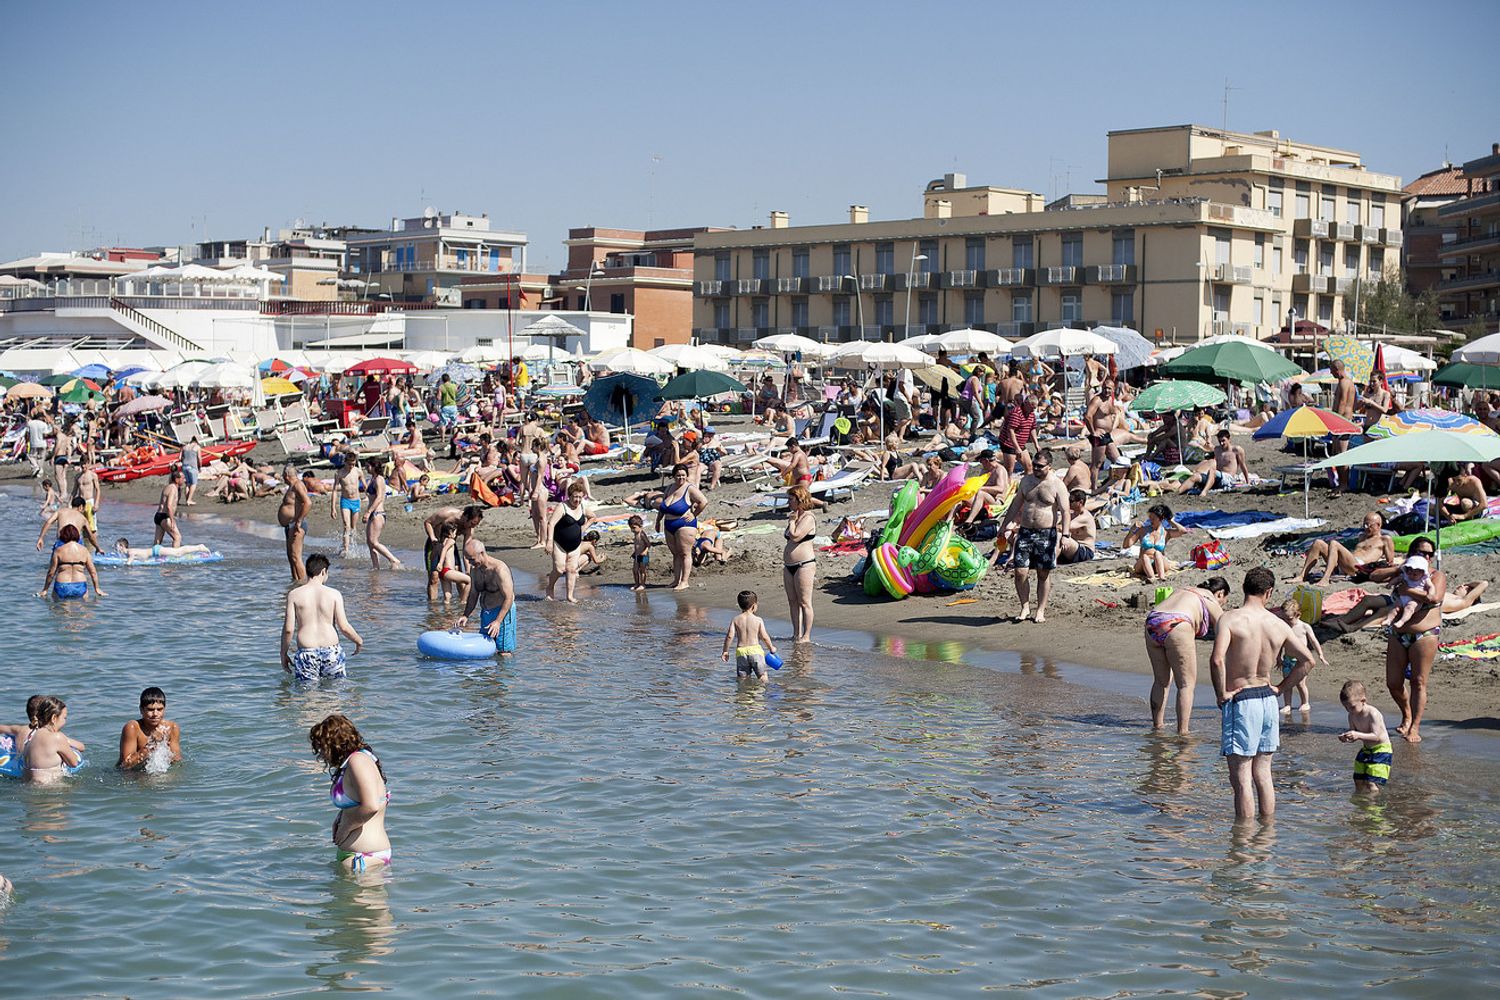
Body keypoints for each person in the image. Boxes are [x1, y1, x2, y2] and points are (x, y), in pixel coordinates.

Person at [1209, 567, 1317, 820]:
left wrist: (1220, 694)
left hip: (1242, 698)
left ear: (1245, 587)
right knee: (1264, 774)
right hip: (1268, 699)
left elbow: (1216, 661)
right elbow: (1308, 660)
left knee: (1242, 779)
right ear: (1269, 592)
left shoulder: (1230, 619)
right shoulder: (1277, 624)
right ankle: (1266, 837)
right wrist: (1280, 688)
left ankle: (1243, 842)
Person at [1143, 577, 1230, 735]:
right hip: (1178, 623)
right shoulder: (1209, 598)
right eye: (1224, 601)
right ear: (1220, 594)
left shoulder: (1183, 589)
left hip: (1153, 620)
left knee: (1161, 682)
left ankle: (1157, 727)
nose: (1222, 605)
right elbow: (1224, 628)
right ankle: (1183, 733)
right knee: (1186, 685)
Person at [309, 714, 391, 872]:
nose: (321, 755)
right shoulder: (354, 762)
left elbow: (372, 805)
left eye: (323, 748)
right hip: (355, 856)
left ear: (334, 745)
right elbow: (358, 800)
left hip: (365, 858)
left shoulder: (358, 761)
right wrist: (341, 817)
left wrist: (346, 826)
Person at [1385, 545, 1443, 745]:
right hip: (1398, 634)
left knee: (1418, 681)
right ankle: (1406, 714)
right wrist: (1397, 569)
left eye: (1428, 553)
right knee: (1393, 682)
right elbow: (1375, 576)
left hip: (1424, 634)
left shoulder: (1435, 576)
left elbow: (1434, 597)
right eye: (1420, 552)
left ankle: (1415, 726)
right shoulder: (1404, 572)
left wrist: (1407, 589)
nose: (1425, 556)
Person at [1001, 448, 1068, 623]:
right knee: (1020, 571)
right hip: (1025, 531)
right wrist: (1003, 526)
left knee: (1043, 573)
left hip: (1046, 533)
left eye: (1040, 466)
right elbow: (1015, 505)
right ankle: (1024, 606)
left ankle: (1040, 610)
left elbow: (1065, 511)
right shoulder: (1026, 481)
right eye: (1034, 465)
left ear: (1050, 466)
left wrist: (1066, 534)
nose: (1036, 469)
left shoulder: (1057, 484)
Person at [281, 553, 364, 685]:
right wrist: (358, 640)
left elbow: (288, 630)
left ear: (308, 571)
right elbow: (344, 626)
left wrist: (283, 653)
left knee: (308, 697)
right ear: (324, 571)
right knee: (334, 693)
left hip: (307, 652)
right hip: (331, 651)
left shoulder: (294, 595)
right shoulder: (334, 594)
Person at [455, 539, 517, 655]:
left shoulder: (499, 570)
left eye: (472, 559)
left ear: (482, 553)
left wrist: (498, 621)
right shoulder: (475, 570)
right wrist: (465, 615)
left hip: (502, 613)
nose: (470, 563)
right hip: (486, 613)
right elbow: (473, 594)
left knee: (504, 651)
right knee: (487, 649)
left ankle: (506, 672)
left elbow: (509, 598)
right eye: (468, 560)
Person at [1298, 511, 1394, 585]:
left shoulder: (1385, 539)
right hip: (1346, 563)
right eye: (1364, 525)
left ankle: (1326, 578)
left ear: (1378, 525)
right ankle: (1302, 575)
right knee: (1318, 543)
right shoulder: (1362, 536)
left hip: (1359, 568)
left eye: (1369, 525)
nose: (1366, 528)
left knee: (1334, 544)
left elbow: (1390, 563)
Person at [656, 463, 708, 592]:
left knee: (685, 553)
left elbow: (703, 501)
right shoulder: (669, 488)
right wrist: (658, 521)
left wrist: (694, 514)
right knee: (675, 554)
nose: (681, 478)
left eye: (683, 475)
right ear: (673, 476)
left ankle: (684, 581)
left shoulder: (689, 488)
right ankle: (676, 580)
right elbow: (663, 507)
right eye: (678, 475)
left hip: (684, 524)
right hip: (668, 524)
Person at [1272, 597, 1325, 715]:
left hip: (1301, 661)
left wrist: (1320, 654)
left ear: (1298, 615)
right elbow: (1280, 643)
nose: (1287, 621)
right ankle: (1287, 705)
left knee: (1300, 683)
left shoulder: (1304, 627)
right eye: (1284, 618)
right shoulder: (1284, 627)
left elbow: (1314, 641)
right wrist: (1278, 658)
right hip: (1288, 659)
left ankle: (1305, 702)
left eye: (1289, 619)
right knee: (1287, 683)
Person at [1339, 680, 1393, 793]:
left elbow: (1376, 736)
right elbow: (1354, 734)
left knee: (1371, 782)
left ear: (1363, 701)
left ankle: (1373, 807)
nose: (1349, 710)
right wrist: (1347, 737)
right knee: (1358, 779)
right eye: (1346, 708)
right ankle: (1360, 802)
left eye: (1352, 707)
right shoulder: (1352, 715)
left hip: (1381, 750)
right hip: (1367, 750)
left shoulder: (1372, 714)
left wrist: (1357, 735)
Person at [423, 506, 484, 601]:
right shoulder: (447, 514)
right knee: (434, 577)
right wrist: (433, 538)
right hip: (435, 543)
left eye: (475, 525)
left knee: (458, 571)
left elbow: (466, 551)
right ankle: (433, 609)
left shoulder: (469, 530)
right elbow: (428, 522)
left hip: (450, 545)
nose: (473, 527)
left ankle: (463, 603)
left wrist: (468, 570)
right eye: (472, 523)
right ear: (466, 517)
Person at [545, 482, 593, 603]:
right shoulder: (562, 507)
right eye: (575, 497)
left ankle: (570, 596)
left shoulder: (583, 507)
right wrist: (549, 542)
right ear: (569, 496)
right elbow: (551, 524)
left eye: (580, 497)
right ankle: (550, 587)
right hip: (559, 543)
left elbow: (593, 517)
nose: (577, 500)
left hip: (575, 545)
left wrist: (584, 527)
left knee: (572, 569)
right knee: (560, 569)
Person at [782, 484, 818, 643]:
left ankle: (806, 636)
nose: (788, 502)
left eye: (791, 499)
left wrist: (792, 521)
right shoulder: (794, 516)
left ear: (799, 499)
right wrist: (792, 519)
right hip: (789, 566)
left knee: (804, 602)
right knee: (792, 601)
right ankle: (796, 633)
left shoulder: (808, 518)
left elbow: (795, 535)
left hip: (804, 564)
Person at [117, 687, 182, 770]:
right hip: (129, 773)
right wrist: (151, 744)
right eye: (150, 710)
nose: (155, 714)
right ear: (141, 710)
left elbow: (176, 761)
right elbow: (125, 765)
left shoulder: (172, 728)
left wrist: (167, 749)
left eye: (159, 709)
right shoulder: (132, 728)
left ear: (164, 709)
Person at [21, 696, 80, 785]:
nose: (65, 722)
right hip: (49, 788)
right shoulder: (57, 737)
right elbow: (74, 763)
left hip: (27, 787)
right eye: (64, 718)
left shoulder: (30, 737)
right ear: (54, 718)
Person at [1171, 430, 1252, 494]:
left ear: (1229, 439)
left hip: (1228, 478)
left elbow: (1242, 465)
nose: (1222, 443)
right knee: (1195, 476)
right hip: (1215, 477)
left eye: (1223, 440)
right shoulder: (1217, 449)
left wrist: (1248, 481)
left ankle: (1204, 492)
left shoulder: (1237, 450)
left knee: (1212, 471)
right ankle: (1178, 492)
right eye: (1220, 441)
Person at [1125, 503, 1189, 584]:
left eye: (1153, 518)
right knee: (1145, 556)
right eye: (1150, 517)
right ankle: (1151, 578)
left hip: (1159, 563)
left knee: (1158, 553)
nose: (1150, 520)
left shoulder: (1166, 532)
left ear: (1161, 519)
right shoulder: (1143, 531)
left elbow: (1183, 531)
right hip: (1143, 564)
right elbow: (1126, 545)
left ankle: (1162, 576)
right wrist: (1132, 530)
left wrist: (1170, 520)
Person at [39, 524, 105, 600]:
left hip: (62, 585)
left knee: (59, 610)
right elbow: (93, 572)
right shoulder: (84, 550)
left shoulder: (59, 551)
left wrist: (45, 590)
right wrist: (97, 589)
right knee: (82, 610)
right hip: (80, 585)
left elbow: (51, 573)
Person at [723, 590, 777, 682]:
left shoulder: (736, 619)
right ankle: (761, 694)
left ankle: (744, 695)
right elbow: (764, 637)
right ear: (754, 606)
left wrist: (725, 651)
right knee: (762, 676)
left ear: (740, 605)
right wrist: (771, 648)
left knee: (743, 679)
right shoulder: (758, 620)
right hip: (756, 651)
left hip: (741, 652)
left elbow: (729, 636)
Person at [362, 459, 401, 570]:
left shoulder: (379, 479)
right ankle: (376, 567)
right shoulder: (372, 479)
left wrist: (368, 512)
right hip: (373, 513)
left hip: (377, 513)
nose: (366, 468)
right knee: (370, 542)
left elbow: (379, 497)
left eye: (368, 466)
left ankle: (393, 560)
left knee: (374, 541)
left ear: (374, 467)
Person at [1382, 555, 1436, 633]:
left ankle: (1402, 621)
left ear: (1422, 572)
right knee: (1395, 607)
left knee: (1409, 608)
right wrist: (1390, 584)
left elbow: (1431, 586)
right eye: (1409, 572)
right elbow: (1397, 579)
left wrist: (1430, 594)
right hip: (1403, 597)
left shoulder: (1424, 579)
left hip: (1415, 600)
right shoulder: (1405, 576)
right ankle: (1389, 619)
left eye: (1415, 574)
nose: (1411, 576)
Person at [1084, 382, 1124, 488]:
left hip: (1107, 435)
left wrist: (1115, 411)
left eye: (1109, 388)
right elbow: (1088, 416)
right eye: (1105, 388)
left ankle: (1113, 483)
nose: (1107, 390)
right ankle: (1093, 488)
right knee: (1097, 464)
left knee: (1118, 460)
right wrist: (1093, 432)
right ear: (1102, 388)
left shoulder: (1110, 399)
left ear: (1113, 389)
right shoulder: (1097, 400)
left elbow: (1109, 412)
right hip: (1099, 436)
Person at [278, 464, 312, 582]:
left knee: (296, 557)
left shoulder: (297, 485)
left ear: (286, 475)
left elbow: (308, 503)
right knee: (291, 558)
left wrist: (299, 521)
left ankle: (305, 585)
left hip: (296, 525)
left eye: (283, 475)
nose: (282, 477)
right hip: (289, 525)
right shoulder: (291, 486)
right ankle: (295, 584)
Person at [1329, 359, 1357, 490]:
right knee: (1337, 454)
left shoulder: (1343, 383)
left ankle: (1344, 484)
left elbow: (1342, 402)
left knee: (1341, 455)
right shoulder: (1350, 382)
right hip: (1345, 421)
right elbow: (1354, 403)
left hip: (1342, 423)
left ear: (1337, 370)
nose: (1330, 372)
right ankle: (1341, 483)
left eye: (1331, 370)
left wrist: (1335, 421)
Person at [332, 448, 362, 557]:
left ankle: (351, 546)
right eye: (349, 464)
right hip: (345, 501)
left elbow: (366, 486)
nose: (351, 467)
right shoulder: (339, 473)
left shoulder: (358, 471)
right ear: (345, 462)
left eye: (353, 464)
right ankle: (346, 549)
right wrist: (333, 508)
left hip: (356, 501)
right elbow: (335, 490)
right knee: (346, 525)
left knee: (353, 527)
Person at [1057, 489, 1097, 564]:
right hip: (1073, 549)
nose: (1069, 503)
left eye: (1071, 501)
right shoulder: (1072, 514)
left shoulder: (1085, 517)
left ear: (1080, 502)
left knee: (1059, 536)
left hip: (1085, 551)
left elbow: (1062, 528)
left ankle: (1049, 563)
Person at [152, 468, 184, 548]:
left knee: (157, 542)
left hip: (158, 515)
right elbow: (169, 505)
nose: (184, 480)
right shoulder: (173, 488)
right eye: (182, 478)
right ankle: (175, 557)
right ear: (177, 479)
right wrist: (172, 520)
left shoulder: (169, 487)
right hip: (165, 517)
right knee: (177, 537)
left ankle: (154, 557)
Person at [111, 537, 209, 561]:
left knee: (178, 552)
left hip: (157, 551)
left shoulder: (130, 552)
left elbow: (129, 563)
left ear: (122, 546)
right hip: (156, 551)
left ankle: (199, 547)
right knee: (177, 553)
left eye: (117, 546)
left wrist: (125, 565)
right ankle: (198, 547)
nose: (116, 548)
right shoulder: (127, 552)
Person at [629, 515, 651, 592]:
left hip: (643, 555)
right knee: (635, 570)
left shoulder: (642, 534)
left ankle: (642, 584)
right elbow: (637, 545)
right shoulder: (635, 535)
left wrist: (645, 551)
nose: (632, 530)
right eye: (631, 528)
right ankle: (637, 583)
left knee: (642, 570)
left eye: (634, 528)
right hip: (637, 555)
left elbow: (648, 544)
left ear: (640, 526)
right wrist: (634, 553)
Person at [181, 436, 201, 506]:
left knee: (188, 484)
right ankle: (189, 500)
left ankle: (187, 500)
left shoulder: (185, 447)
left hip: (184, 466)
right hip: (193, 467)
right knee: (193, 483)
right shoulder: (197, 447)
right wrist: (200, 467)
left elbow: (181, 457)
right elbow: (199, 458)